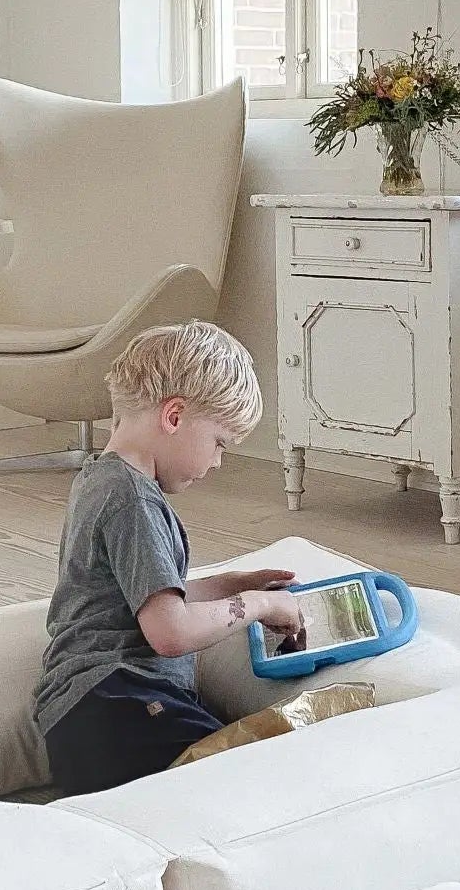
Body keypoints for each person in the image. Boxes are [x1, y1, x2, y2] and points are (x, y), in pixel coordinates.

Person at [33, 321, 303, 795]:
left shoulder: (100, 479)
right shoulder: (133, 500)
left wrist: (237, 583)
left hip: (89, 714)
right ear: (174, 416)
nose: (217, 462)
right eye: (219, 443)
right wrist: (259, 606)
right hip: (119, 702)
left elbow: (144, 598)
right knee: (270, 774)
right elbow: (171, 632)